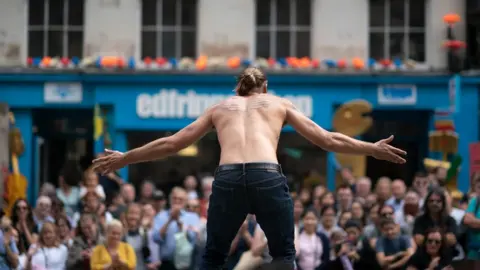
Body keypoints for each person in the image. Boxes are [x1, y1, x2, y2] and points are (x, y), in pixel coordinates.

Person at [92, 67, 407, 269]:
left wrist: (125, 157)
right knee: (283, 254)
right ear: (265, 88)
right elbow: (326, 138)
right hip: (266, 175)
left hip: (228, 177)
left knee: (214, 256)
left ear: (238, 89)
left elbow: (173, 142)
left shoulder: (220, 108)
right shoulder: (278, 104)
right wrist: (371, 148)